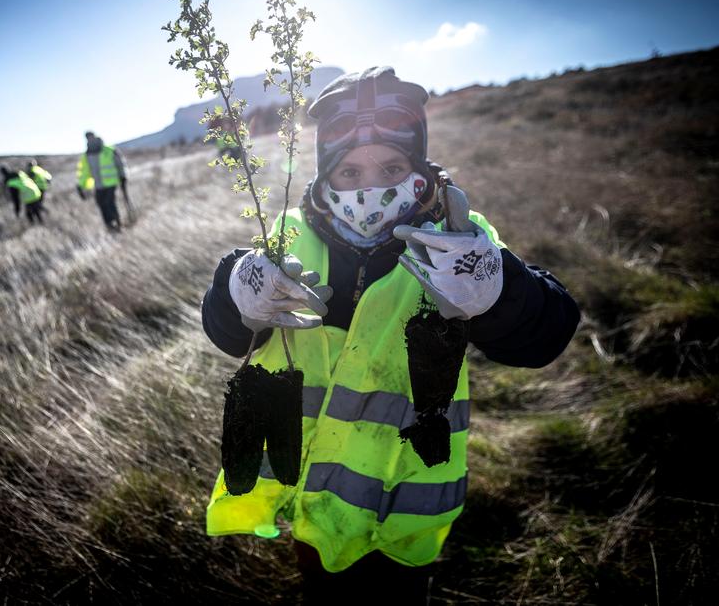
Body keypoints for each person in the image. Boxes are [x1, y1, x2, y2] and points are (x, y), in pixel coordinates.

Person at [201, 67, 580, 601]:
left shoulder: (459, 241)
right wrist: (236, 294)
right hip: (307, 496)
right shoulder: (281, 236)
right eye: (349, 172)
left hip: (406, 502)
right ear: (324, 175)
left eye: (391, 167)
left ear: (419, 171)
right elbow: (228, 333)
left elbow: (546, 336)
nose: (370, 188)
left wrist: (498, 290)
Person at [77, 131, 127, 231]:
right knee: (101, 204)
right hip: (98, 185)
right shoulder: (86, 155)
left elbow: (119, 164)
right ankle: (109, 225)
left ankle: (118, 223)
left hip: (111, 183)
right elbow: (84, 172)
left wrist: (123, 176)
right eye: (87, 137)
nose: (89, 139)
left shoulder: (108, 150)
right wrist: (80, 186)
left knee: (109, 203)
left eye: (90, 137)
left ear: (94, 136)